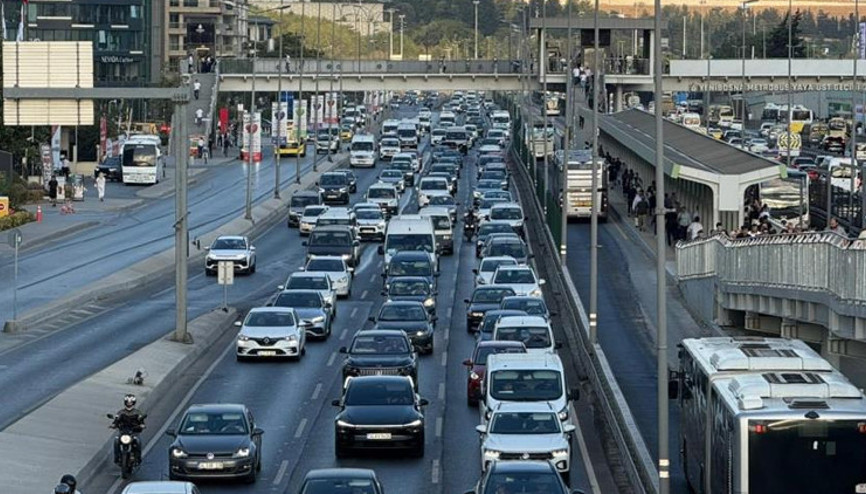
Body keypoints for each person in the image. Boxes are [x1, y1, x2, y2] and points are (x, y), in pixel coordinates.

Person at [110, 394, 146, 465]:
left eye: (130, 402)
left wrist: (142, 425)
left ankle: (137, 458)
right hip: (123, 432)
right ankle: (117, 457)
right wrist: (114, 424)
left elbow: (141, 421)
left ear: (133, 403)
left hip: (134, 432)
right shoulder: (121, 412)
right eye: (127, 402)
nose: (129, 404)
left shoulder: (137, 413)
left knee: (138, 442)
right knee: (116, 441)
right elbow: (116, 420)